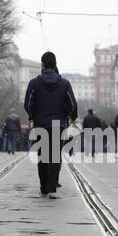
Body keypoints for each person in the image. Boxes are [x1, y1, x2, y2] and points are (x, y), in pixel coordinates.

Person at [24, 51, 78, 199]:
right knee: (55, 155)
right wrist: (68, 115)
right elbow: (72, 104)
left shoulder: (34, 83)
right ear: (55, 65)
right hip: (58, 123)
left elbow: (28, 104)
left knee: (42, 155)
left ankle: (43, 187)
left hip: (40, 123)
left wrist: (32, 116)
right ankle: (52, 188)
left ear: (42, 64)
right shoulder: (65, 83)